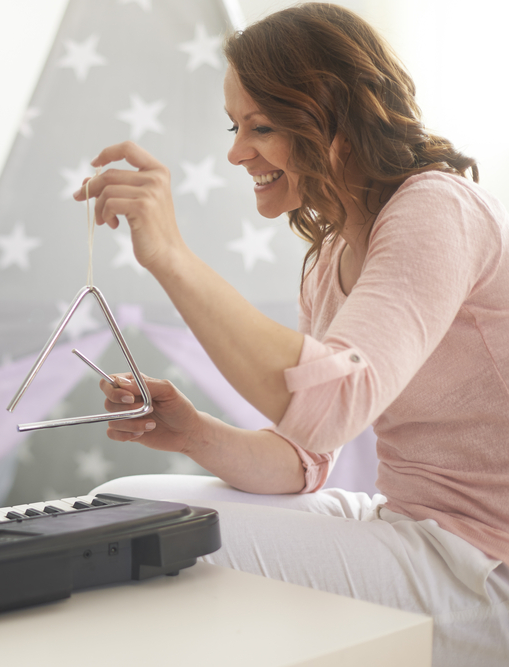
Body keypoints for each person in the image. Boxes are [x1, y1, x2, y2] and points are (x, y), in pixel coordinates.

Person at [74, 3, 508, 665]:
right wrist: (193, 431)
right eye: (235, 125)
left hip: (482, 564)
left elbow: (337, 401)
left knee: (134, 540)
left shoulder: (436, 207)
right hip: (407, 525)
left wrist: (170, 255)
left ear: (333, 118)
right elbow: (306, 455)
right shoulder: (333, 254)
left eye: (262, 126)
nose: (236, 151)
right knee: (117, 503)